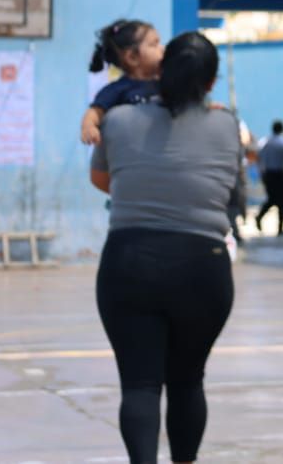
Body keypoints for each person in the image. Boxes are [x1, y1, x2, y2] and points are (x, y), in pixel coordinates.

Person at [90, 32, 238, 464]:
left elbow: (103, 179)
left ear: (162, 71)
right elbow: (227, 186)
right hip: (203, 267)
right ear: (210, 83)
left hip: (129, 261)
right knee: (188, 380)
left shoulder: (116, 120)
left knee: (139, 383)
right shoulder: (226, 123)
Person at [80, 20, 163, 146]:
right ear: (132, 58)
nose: (162, 48)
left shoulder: (164, 83)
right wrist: (89, 127)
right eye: (154, 44)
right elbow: (95, 111)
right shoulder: (117, 89)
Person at [253, 120, 283, 236]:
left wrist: (261, 174)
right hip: (279, 174)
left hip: (269, 174)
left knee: (271, 199)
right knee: (282, 202)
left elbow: (259, 159)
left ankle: (260, 217)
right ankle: (280, 227)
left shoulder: (267, 143)